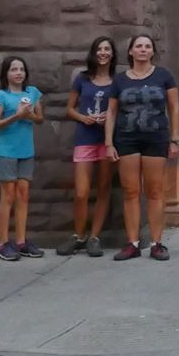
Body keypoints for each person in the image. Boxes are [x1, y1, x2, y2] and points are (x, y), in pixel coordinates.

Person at [107, 33, 179, 261]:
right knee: (130, 191)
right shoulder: (120, 80)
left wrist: (174, 139)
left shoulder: (164, 76)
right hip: (126, 138)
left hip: (156, 138)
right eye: (138, 46)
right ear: (130, 51)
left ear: (152, 51)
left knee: (155, 191)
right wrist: (108, 142)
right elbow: (111, 112)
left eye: (147, 46)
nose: (143, 49)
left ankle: (157, 243)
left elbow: (174, 107)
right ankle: (133, 243)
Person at [58, 36, 119, 256]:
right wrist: (83, 118)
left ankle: (94, 237)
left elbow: (120, 109)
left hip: (107, 140)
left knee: (103, 188)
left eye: (107, 49)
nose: (103, 53)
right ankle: (78, 235)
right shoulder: (82, 79)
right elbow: (69, 109)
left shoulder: (118, 81)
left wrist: (108, 119)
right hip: (85, 138)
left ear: (112, 54)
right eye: (99, 49)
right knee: (82, 192)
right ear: (93, 53)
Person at [0, 56, 45, 261]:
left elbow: (40, 119)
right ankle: (3, 243)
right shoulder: (1, 96)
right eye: (14, 69)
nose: (18, 73)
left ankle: (21, 241)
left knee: (23, 195)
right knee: (8, 196)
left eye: (21, 69)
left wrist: (29, 115)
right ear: (6, 73)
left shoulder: (33, 93)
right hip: (6, 151)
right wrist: (16, 116)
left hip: (26, 150)